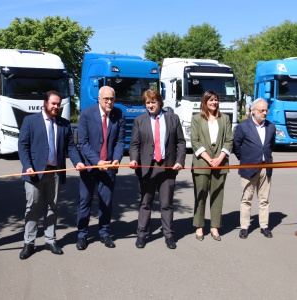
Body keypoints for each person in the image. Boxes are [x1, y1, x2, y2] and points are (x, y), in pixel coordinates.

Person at [18, 90, 85, 260]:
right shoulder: (30, 121)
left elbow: (70, 147)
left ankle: (50, 240)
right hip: (35, 174)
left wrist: (77, 162)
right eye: (53, 103)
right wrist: (27, 166)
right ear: (45, 103)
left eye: (58, 104)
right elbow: (23, 146)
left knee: (52, 207)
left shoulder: (63, 124)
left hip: (55, 172)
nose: (56, 107)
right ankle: (29, 243)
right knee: (32, 207)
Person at [129, 89, 186, 249]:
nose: (150, 105)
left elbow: (181, 142)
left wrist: (180, 160)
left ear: (160, 102)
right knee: (145, 203)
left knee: (166, 203)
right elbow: (134, 144)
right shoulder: (139, 120)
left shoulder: (173, 118)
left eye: (153, 102)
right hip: (147, 167)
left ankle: (169, 235)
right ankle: (141, 235)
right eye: (147, 102)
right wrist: (134, 159)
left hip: (167, 167)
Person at [76, 86, 125, 250]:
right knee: (85, 202)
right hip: (90, 167)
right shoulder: (86, 114)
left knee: (107, 202)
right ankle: (82, 234)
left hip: (109, 167)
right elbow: (83, 143)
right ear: (99, 99)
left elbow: (120, 141)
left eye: (111, 98)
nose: (109, 102)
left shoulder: (119, 114)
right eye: (106, 99)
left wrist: (116, 158)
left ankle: (104, 233)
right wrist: (97, 161)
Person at [191, 90, 233, 241]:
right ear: (205, 102)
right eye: (210, 100)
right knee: (200, 195)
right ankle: (199, 226)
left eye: (216, 100)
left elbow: (229, 140)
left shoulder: (225, 119)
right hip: (202, 163)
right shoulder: (197, 118)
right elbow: (195, 141)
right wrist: (209, 159)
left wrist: (220, 158)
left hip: (220, 164)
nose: (214, 102)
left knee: (217, 196)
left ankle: (215, 227)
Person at [233, 98, 276, 239]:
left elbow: (271, 146)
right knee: (247, 199)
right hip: (249, 168)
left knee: (264, 199)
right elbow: (236, 146)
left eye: (266, 110)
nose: (264, 113)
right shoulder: (243, 126)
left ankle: (264, 226)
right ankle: (244, 227)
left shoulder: (271, 127)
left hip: (266, 168)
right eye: (261, 110)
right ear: (253, 111)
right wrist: (245, 159)